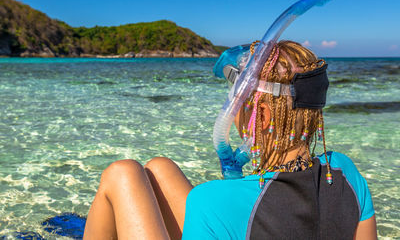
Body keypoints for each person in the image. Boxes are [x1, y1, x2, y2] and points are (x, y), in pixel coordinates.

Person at [83, 41, 377, 240]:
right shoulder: (345, 173)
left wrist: (230, 192)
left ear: (261, 116)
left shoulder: (213, 202)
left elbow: (243, 211)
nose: (231, 113)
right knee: (159, 169)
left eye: (235, 105)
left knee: (121, 173)